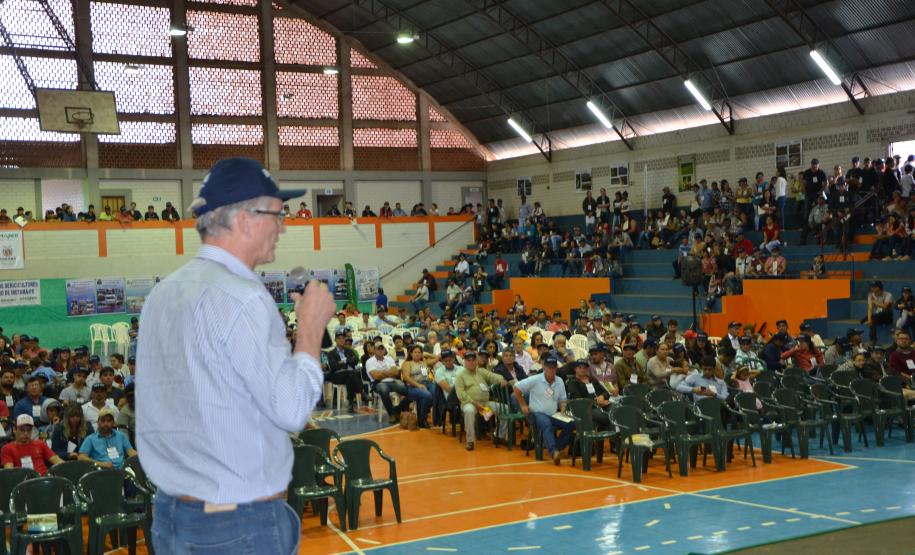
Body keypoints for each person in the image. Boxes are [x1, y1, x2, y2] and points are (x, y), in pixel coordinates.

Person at [136, 157, 336, 554]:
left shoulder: (163, 294)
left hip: (172, 517)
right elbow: (292, 408)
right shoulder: (242, 299)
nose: (283, 226)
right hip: (238, 525)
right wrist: (311, 329)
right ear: (245, 219)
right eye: (278, 215)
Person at [513, 356, 575, 465]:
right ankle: (553, 451)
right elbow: (516, 388)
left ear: (556, 369)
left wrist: (563, 410)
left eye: (554, 367)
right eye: (549, 367)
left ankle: (557, 449)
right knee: (546, 423)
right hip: (536, 413)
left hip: (554, 414)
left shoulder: (559, 381)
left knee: (571, 423)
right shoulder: (535, 379)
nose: (551, 370)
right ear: (544, 367)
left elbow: (562, 400)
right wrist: (523, 405)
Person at [454, 351, 508, 450]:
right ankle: (470, 441)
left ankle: (499, 436)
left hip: (485, 402)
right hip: (470, 403)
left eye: (473, 360)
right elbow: (460, 394)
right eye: (468, 360)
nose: (471, 362)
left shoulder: (481, 371)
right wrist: (474, 403)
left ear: (476, 361)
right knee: (469, 411)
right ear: (465, 362)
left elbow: (493, 376)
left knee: (506, 409)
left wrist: (501, 379)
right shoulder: (460, 376)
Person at [325, 330, 362, 413]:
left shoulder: (348, 350)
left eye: (343, 338)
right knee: (353, 373)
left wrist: (343, 361)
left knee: (351, 376)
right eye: (339, 338)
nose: (341, 340)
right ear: (335, 340)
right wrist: (348, 361)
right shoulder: (331, 353)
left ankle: (351, 404)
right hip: (338, 376)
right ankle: (361, 392)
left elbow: (356, 359)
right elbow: (334, 367)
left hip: (349, 375)